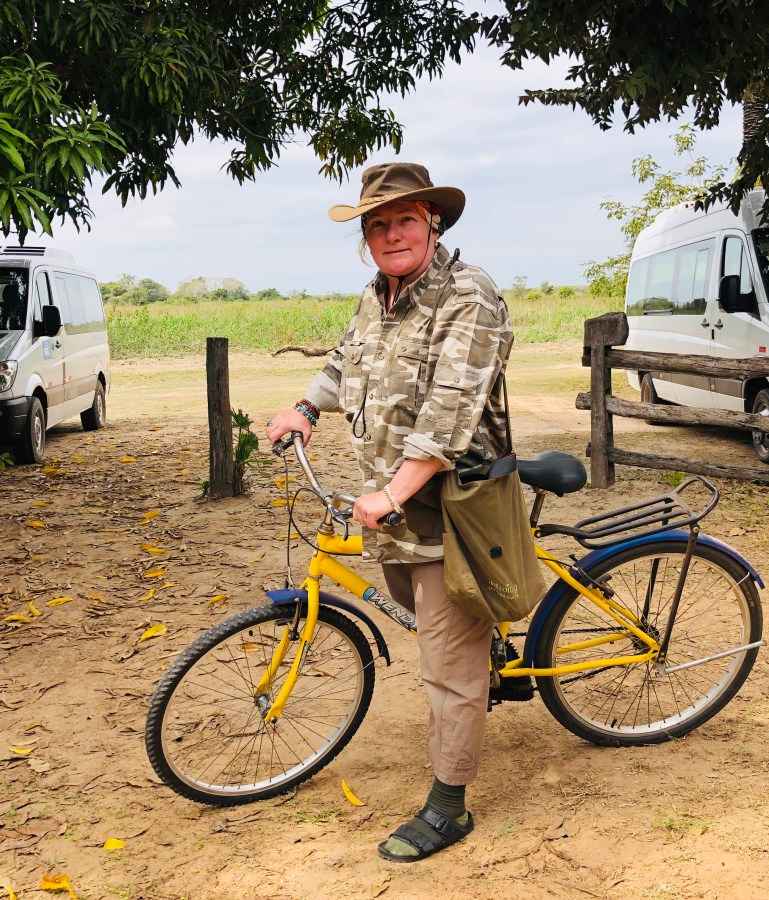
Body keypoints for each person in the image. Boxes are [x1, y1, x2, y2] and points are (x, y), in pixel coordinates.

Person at [265, 162, 513, 862]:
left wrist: (393, 493)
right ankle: (483, 650)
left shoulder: (468, 295)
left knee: (448, 666)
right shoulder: (377, 296)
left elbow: (449, 413)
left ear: (433, 224)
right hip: (396, 511)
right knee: (432, 624)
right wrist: (307, 407)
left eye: (405, 220)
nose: (391, 234)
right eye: (377, 225)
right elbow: (344, 362)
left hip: (455, 509)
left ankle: (450, 805)